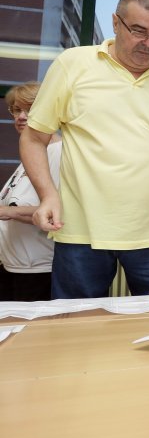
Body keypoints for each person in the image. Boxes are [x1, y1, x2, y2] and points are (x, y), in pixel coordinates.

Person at [19, 0, 149, 299]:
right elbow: (33, 137)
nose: (148, 43)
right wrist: (47, 195)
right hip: (80, 232)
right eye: (138, 31)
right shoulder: (73, 65)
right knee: (75, 330)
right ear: (116, 23)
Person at [0, 82, 62, 301]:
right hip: (11, 268)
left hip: (39, 271)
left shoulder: (59, 153)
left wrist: (7, 212)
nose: (21, 116)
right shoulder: (29, 157)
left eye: (30, 109)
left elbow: (61, 212)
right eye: (17, 110)